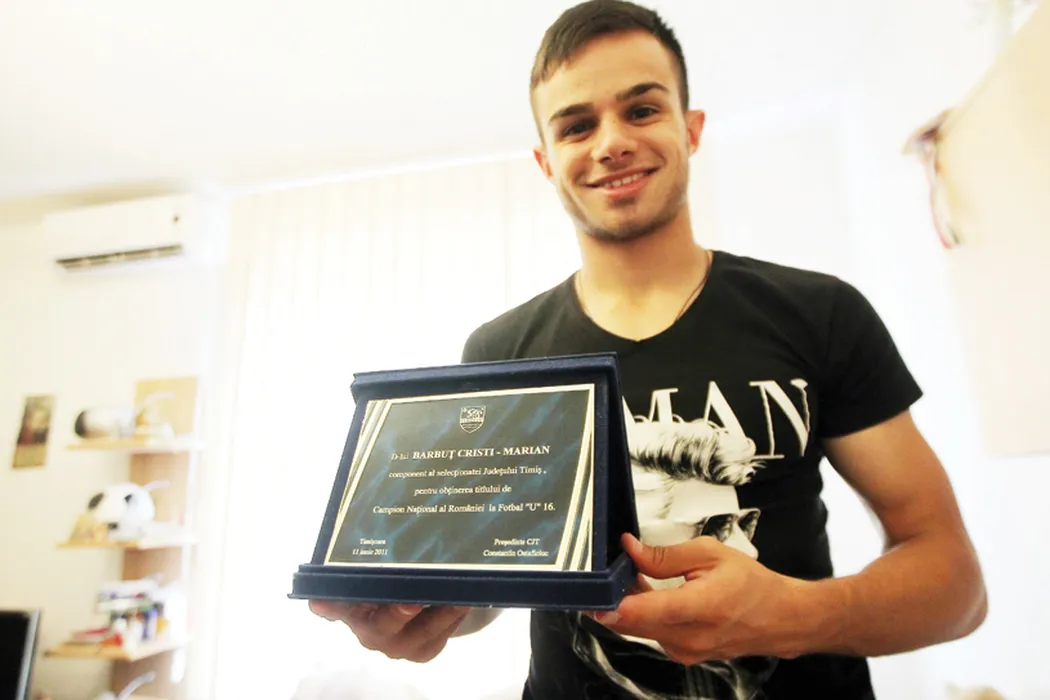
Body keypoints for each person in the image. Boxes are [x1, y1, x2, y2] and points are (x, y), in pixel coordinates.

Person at [309, 1, 988, 697]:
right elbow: (494, 579)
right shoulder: (501, 350)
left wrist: (792, 615)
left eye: (641, 110)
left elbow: (957, 587)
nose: (611, 143)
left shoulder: (821, 314)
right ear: (546, 161)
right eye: (576, 125)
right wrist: (426, 614)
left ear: (691, 129)